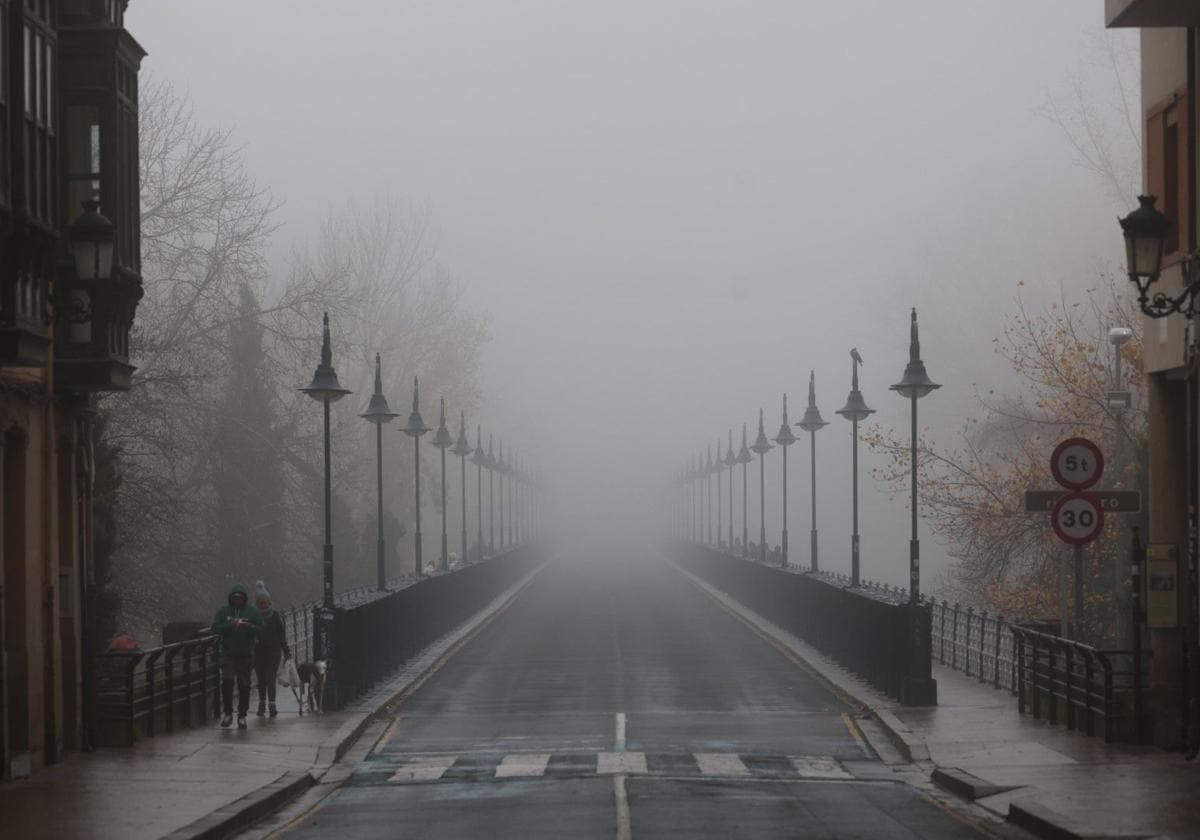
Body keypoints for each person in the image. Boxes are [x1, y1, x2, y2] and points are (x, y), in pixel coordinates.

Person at [211, 583, 261, 729]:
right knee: (227, 682)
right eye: (235, 598)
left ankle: (242, 715)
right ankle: (227, 713)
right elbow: (215, 627)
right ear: (231, 599)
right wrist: (229, 626)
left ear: (244, 599)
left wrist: (249, 627)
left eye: (240, 598)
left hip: (246, 654)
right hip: (228, 653)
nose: (237, 600)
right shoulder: (223, 611)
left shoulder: (252, 612)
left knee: (244, 684)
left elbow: (260, 628)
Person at [253, 580, 290, 718]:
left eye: (265, 602)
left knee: (270, 677)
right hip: (258, 652)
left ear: (269, 602)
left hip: (273, 652)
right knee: (261, 679)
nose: (263, 604)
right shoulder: (254, 616)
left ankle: (272, 704)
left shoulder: (274, 616)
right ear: (257, 603)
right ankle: (262, 703)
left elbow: (281, 634)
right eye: (260, 602)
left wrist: (286, 651)